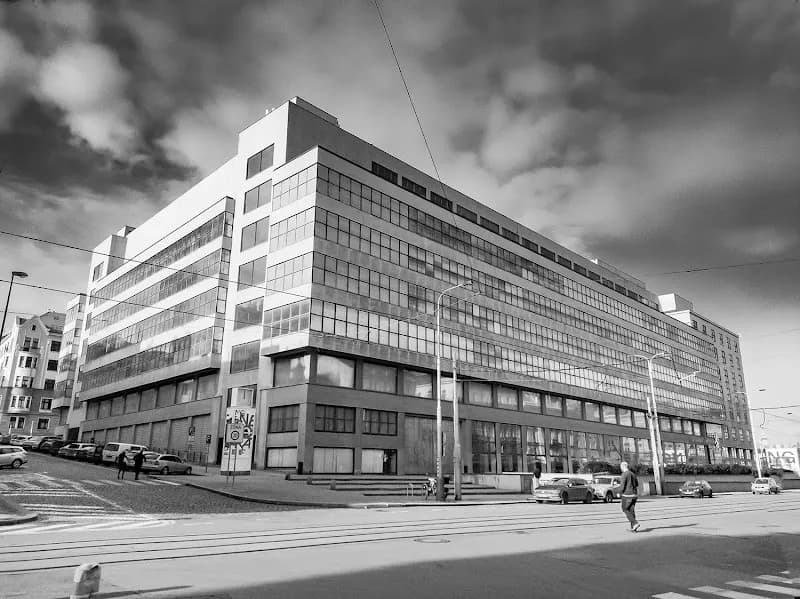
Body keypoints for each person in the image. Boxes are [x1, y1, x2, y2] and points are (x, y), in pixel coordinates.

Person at [619, 461, 640, 532]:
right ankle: (633, 528)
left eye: (621, 467)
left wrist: (619, 492)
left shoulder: (624, 474)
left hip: (627, 495)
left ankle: (635, 523)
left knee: (624, 509)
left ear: (623, 467)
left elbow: (622, 487)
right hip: (634, 494)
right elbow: (637, 484)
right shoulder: (633, 474)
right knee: (631, 510)